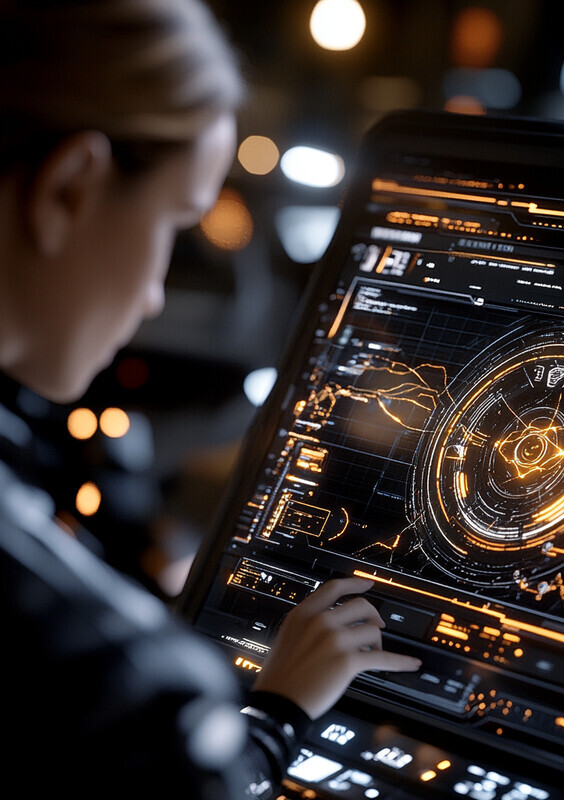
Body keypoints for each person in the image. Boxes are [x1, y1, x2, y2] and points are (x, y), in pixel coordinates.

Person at [0, 1, 420, 797]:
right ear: (68, 190)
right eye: (175, 224)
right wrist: (277, 716)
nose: (156, 296)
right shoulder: (128, 693)